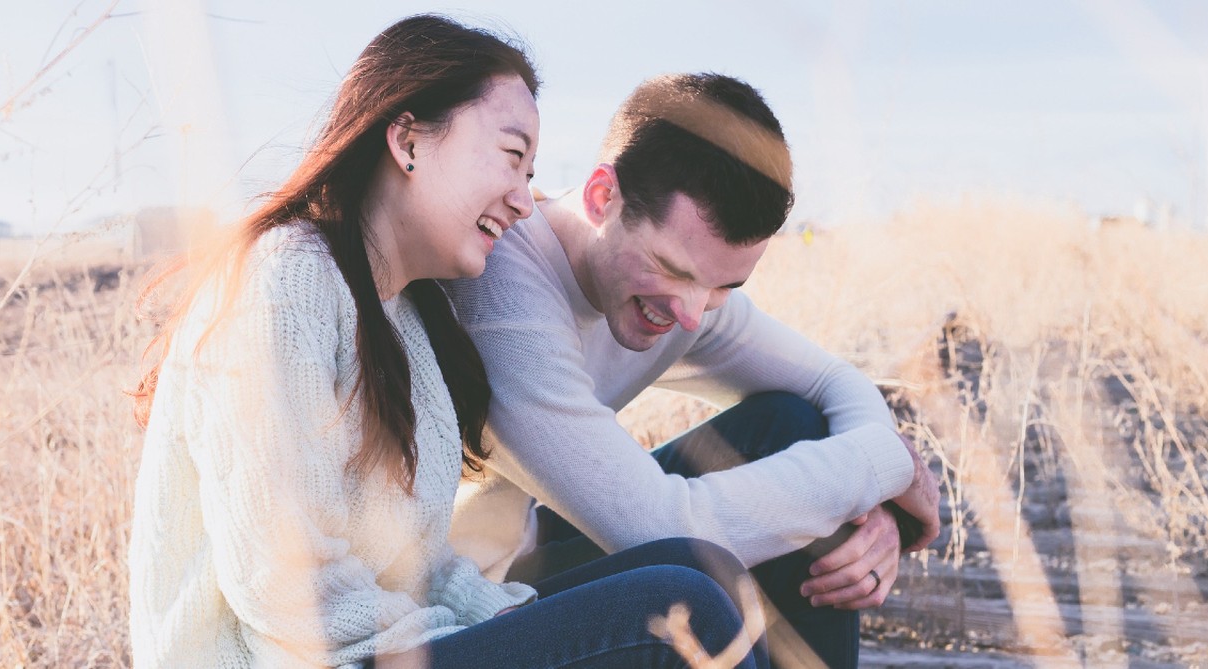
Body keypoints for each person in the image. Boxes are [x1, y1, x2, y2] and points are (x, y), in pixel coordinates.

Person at [128, 16, 767, 669]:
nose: (524, 199)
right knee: (680, 606)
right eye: (511, 157)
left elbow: (414, 562)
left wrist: (498, 615)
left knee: (701, 565)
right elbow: (280, 580)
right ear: (408, 140)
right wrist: (449, 634)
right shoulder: (284, 280)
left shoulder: (403, 315)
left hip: (391, 644)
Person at [443, 72, 943, 668]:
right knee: (695, 594)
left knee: (792, 421)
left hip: (521, 557)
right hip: (452, 613)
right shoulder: (501, 287)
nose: (689, 315)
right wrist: (887, 466)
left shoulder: (688, 296)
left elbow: (835, 382)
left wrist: (870, 510)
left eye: (724, 285)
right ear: (604, 197)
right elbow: (660, 527)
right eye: (673, 269)